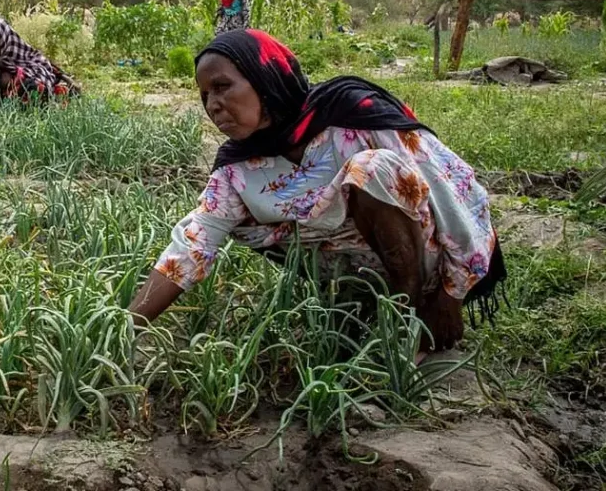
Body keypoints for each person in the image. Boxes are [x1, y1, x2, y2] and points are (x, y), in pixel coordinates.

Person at [127, 29, 505, 357]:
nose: (213, 105)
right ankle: (360, 304)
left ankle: (408, 315)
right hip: (348, 274)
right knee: (233, 214)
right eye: (204, 95)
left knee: (371, 169)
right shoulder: (236, 168)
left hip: (425, 264)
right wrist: (125, 328)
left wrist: (451, 296)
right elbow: (190, 246)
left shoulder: (350, 114)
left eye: (223, 86)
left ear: (264, 78)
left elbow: (454, 192)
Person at [0, 18, 79, 104]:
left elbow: (44, 65)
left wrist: (16, 75)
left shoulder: (16, 51)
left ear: (5, 44)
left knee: (36, 88)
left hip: (15, 96)